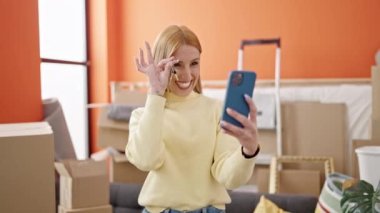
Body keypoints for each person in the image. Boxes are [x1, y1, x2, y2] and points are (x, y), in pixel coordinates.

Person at [126, 25, 260, 213]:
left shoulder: (216, 110)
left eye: (194, 63)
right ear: (162, 65)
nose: (187, 75)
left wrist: (249, 151)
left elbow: (229, 178)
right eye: (177, 65)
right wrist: (155, 94)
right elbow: (147, 161)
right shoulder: (144, 115)